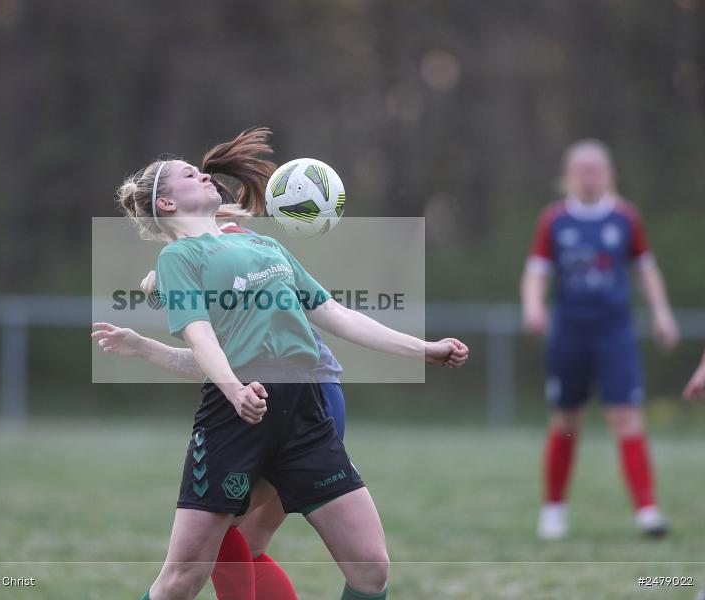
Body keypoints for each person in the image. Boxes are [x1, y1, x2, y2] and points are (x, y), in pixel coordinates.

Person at [109, 135, 469, 600]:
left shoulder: (265, 246)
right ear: (166, 202)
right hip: (236, 418)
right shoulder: (178, 257)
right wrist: (235, 389)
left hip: (306, 408)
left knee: (371, 568)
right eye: (188, 174)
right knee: (182, 579)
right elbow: (199, 335)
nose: (204, 174)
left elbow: (337, 314)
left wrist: (424, 348)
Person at [521, 139, 679, 540]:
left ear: (609, 175)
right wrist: (534, 307)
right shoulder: (554, 220)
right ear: (567, 177)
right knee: (566, 419)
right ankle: (553, 510)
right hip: (569, 332)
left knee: (626, 416)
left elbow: (646, 269)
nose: (589, 177)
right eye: (582, 171)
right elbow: (536, 272)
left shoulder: (625, 218)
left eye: (596, 170)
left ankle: (647, 511)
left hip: (615, 332)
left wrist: (662, 314)